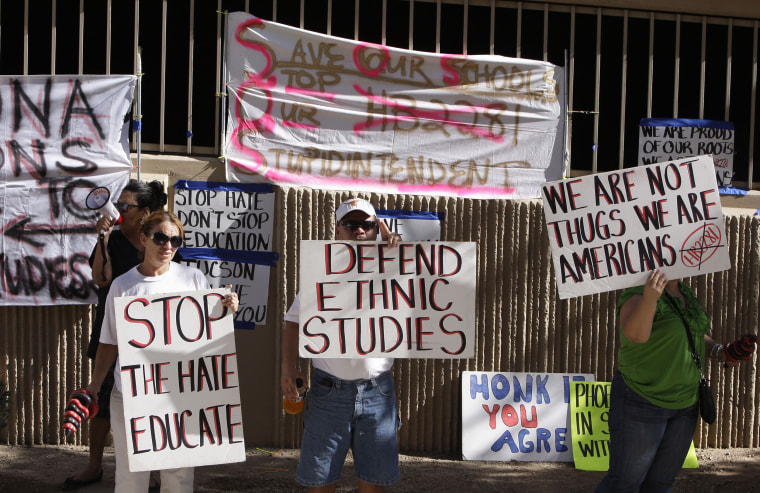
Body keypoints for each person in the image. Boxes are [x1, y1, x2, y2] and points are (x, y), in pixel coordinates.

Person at [83, 211, 239, 493]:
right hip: (131, 395)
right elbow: (109, 342)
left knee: (178, 477)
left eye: (175, 240)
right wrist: (95, 384)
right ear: (144, 239)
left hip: (180, 395)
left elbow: (208, 333)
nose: (168, 245)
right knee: (131, 476)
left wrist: (225, 309)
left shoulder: (193, 279)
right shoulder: (122, 285)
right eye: (161, 238)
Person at [280, 198, 402, 493]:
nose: (359, 230)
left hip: (377, 392)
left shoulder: (396, 268)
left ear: (377, 229)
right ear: (337, 231)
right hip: (328, 392)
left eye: (367, 224)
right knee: (320, 482)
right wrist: (287, 367)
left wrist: (402, 254)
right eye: (351, 224)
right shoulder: (321, 271)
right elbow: (295, 322)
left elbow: (423, 293)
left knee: (374, 485)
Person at [595, 269, 750, 492]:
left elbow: (690, 332)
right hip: (641, 401)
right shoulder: (638, 292)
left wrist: (721, 351)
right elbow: (636, 335)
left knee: (660, 484)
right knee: (624, 484)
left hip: (685, 405)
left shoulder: (685, 292)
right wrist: (650, 298)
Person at [64, 180, 169, 491]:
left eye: (126, 206)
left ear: (145, 212)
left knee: (149, 402)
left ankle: (146, 469)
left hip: (152, 334)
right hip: (111, 331)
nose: (119, 211)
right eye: (118, 205)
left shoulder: (163, 239)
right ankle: (94, 465)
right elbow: (100, 278)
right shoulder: (113, 241)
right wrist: (102, 238)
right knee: (102, 396)